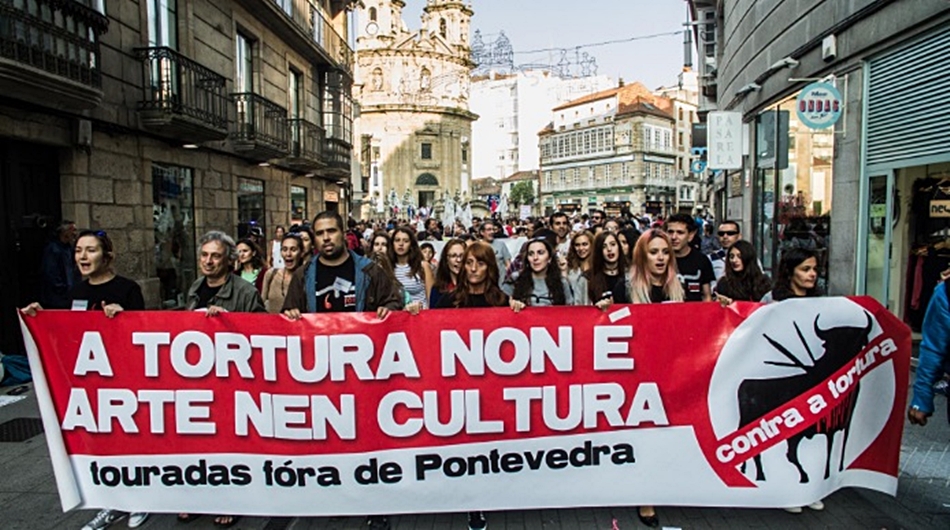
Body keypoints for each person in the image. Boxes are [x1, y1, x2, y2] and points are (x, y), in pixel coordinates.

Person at [281, 212, 403, 530]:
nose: (326, 238)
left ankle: (376, 504)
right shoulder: (305, 274)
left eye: (331, 231)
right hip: (321, 372)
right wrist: (291, 314)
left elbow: (395, 300)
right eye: (319, 233)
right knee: (330, 439)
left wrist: (387, 310)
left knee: (368, 439)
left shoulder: (368, 270)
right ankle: (335, 495)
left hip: (363, 372)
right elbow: (287, 313)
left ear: (342, 233)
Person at [23, 229, 148, 530]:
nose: (82, 256)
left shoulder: (127, 289)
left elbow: (145, 333)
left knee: (130, 442)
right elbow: (66, 336)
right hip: (91, 385)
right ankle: (112, 503)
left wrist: (125, 318)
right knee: (102, 445)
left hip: (123, 381)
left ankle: (140, 500)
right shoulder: (75, 293)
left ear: (107, 256)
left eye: (90, 250)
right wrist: (39, 319)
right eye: (78, 250)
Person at [433, 241, 507, 530]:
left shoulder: (502, 300)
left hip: (491, 387)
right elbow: (426, 331)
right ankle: (472, 503)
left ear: (490, 267)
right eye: (468, 262)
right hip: (459, 387)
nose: (473, 268)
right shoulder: (449, 301)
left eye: (480, 262)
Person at [509, 237, 573, 311]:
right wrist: (513, 303)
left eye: (540, 253)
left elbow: (570, 310)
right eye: (531, 254)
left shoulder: (562, 282)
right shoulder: (516, 278)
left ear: (549, 258)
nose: (535, 258)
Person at [666, 213, 714, 302]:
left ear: (690, 235)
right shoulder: (660, 260)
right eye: (670, 232)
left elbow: (707, 296)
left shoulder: (702, 261)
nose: (674, 237)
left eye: (680, 233)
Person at [629, 228, 684, 305]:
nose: (661, 257)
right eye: (653, 252)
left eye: (666, 252)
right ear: (642, 256)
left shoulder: (680, 286)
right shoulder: (626, 288)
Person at [389, 226, 434, 312]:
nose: (401, 244)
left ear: (411, 244)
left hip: (420, 317)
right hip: (397, 318)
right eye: (397, 240)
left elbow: (431, 299)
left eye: (405, 241)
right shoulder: (388, 268)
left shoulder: (423, 266)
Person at [714, 240, 771, 305]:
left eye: (739, 256)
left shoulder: (763, 282)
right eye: (731, 256)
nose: (734, 260)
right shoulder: (724, 283)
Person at [40, 219, 79, 309]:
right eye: (72, 230)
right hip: (57, 298)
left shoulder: (70, 249)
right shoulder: (53, 249)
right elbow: (50, 273)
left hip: (69, 295)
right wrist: (62, 288)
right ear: (64, 232)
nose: (75, 234)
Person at [584, 231, 629, 308]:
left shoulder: (630, 275)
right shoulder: (587, 278)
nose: (609, 249)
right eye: (604, 246)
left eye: (613, 244)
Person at [261, 233, 303, 314]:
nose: (288, 254)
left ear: (301, 253)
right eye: (284, 249)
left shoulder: (306, 278)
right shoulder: (271, 274)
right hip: (273, 324)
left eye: (293, 249)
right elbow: (261, 305)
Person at [429, 238, 465, 309]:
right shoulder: (437, 288)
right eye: (453, 256)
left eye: (462, 256)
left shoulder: (474, 287)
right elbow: (432, 314)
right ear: (446, 260)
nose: (458, 260)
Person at [479, 219, 511, 287]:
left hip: (501, 285)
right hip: (484, 285)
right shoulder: (478, 246)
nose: (492, 232)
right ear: (482, 232)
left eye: (493, 229)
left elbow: (508, 265)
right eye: (489, 230)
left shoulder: (501, 245)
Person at [565, 230, 594, 301]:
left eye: (584, 244)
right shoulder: (569, 267)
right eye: (577, 245)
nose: (581, 248)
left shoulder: (597, 265)